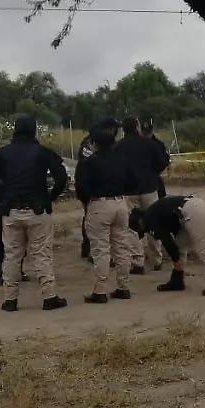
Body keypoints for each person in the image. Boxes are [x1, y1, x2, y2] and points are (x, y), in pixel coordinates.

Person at [0, 115, 70, 312]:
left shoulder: (2, 153)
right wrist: (50, 196)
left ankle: (10, 300)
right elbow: (62, 177)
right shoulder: (42, 152)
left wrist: (2, 194)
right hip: (38, 210)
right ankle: (49, 297)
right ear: (33, 130)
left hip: (11, 211)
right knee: (42, 254)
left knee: (11, 256)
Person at [75, 126, 136, 303]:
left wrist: (88, 201)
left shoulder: (90, 162)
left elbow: (82, 187)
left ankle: (100, 291)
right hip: (120, 203)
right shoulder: (121, 160)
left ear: (95, 144)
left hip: (99, 205)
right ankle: (124, 287)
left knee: (101, 250)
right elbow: (131, 181)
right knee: (121, 248)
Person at [128, 195, 205, 296]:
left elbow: (166, 240)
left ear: (140, 222)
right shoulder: (152, 214)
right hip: (189, 211)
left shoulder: (149, 218)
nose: (144, 232)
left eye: (140, 230)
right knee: (180, 246)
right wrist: (176, 259)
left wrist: (175, 259)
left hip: (192, 211)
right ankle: (177, 281)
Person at [115, 117, 169, 274]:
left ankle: (137, 261)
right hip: (149, 188)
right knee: (154, 222)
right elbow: (162, 163)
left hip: (128, 191)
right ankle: (157, 259)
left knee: (131, 226)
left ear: (123, 129)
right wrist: (151, 173)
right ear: (137, 127)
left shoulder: (118, 147)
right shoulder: (149, 144)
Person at [77, 117, 119, 261]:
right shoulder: (93, 143)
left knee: (92, 218)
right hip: (91, 186)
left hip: (87, 184)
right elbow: (91, 163)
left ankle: (88, 249)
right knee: (92, 218)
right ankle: (90, 250)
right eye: (114, 129)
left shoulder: (90, 141)